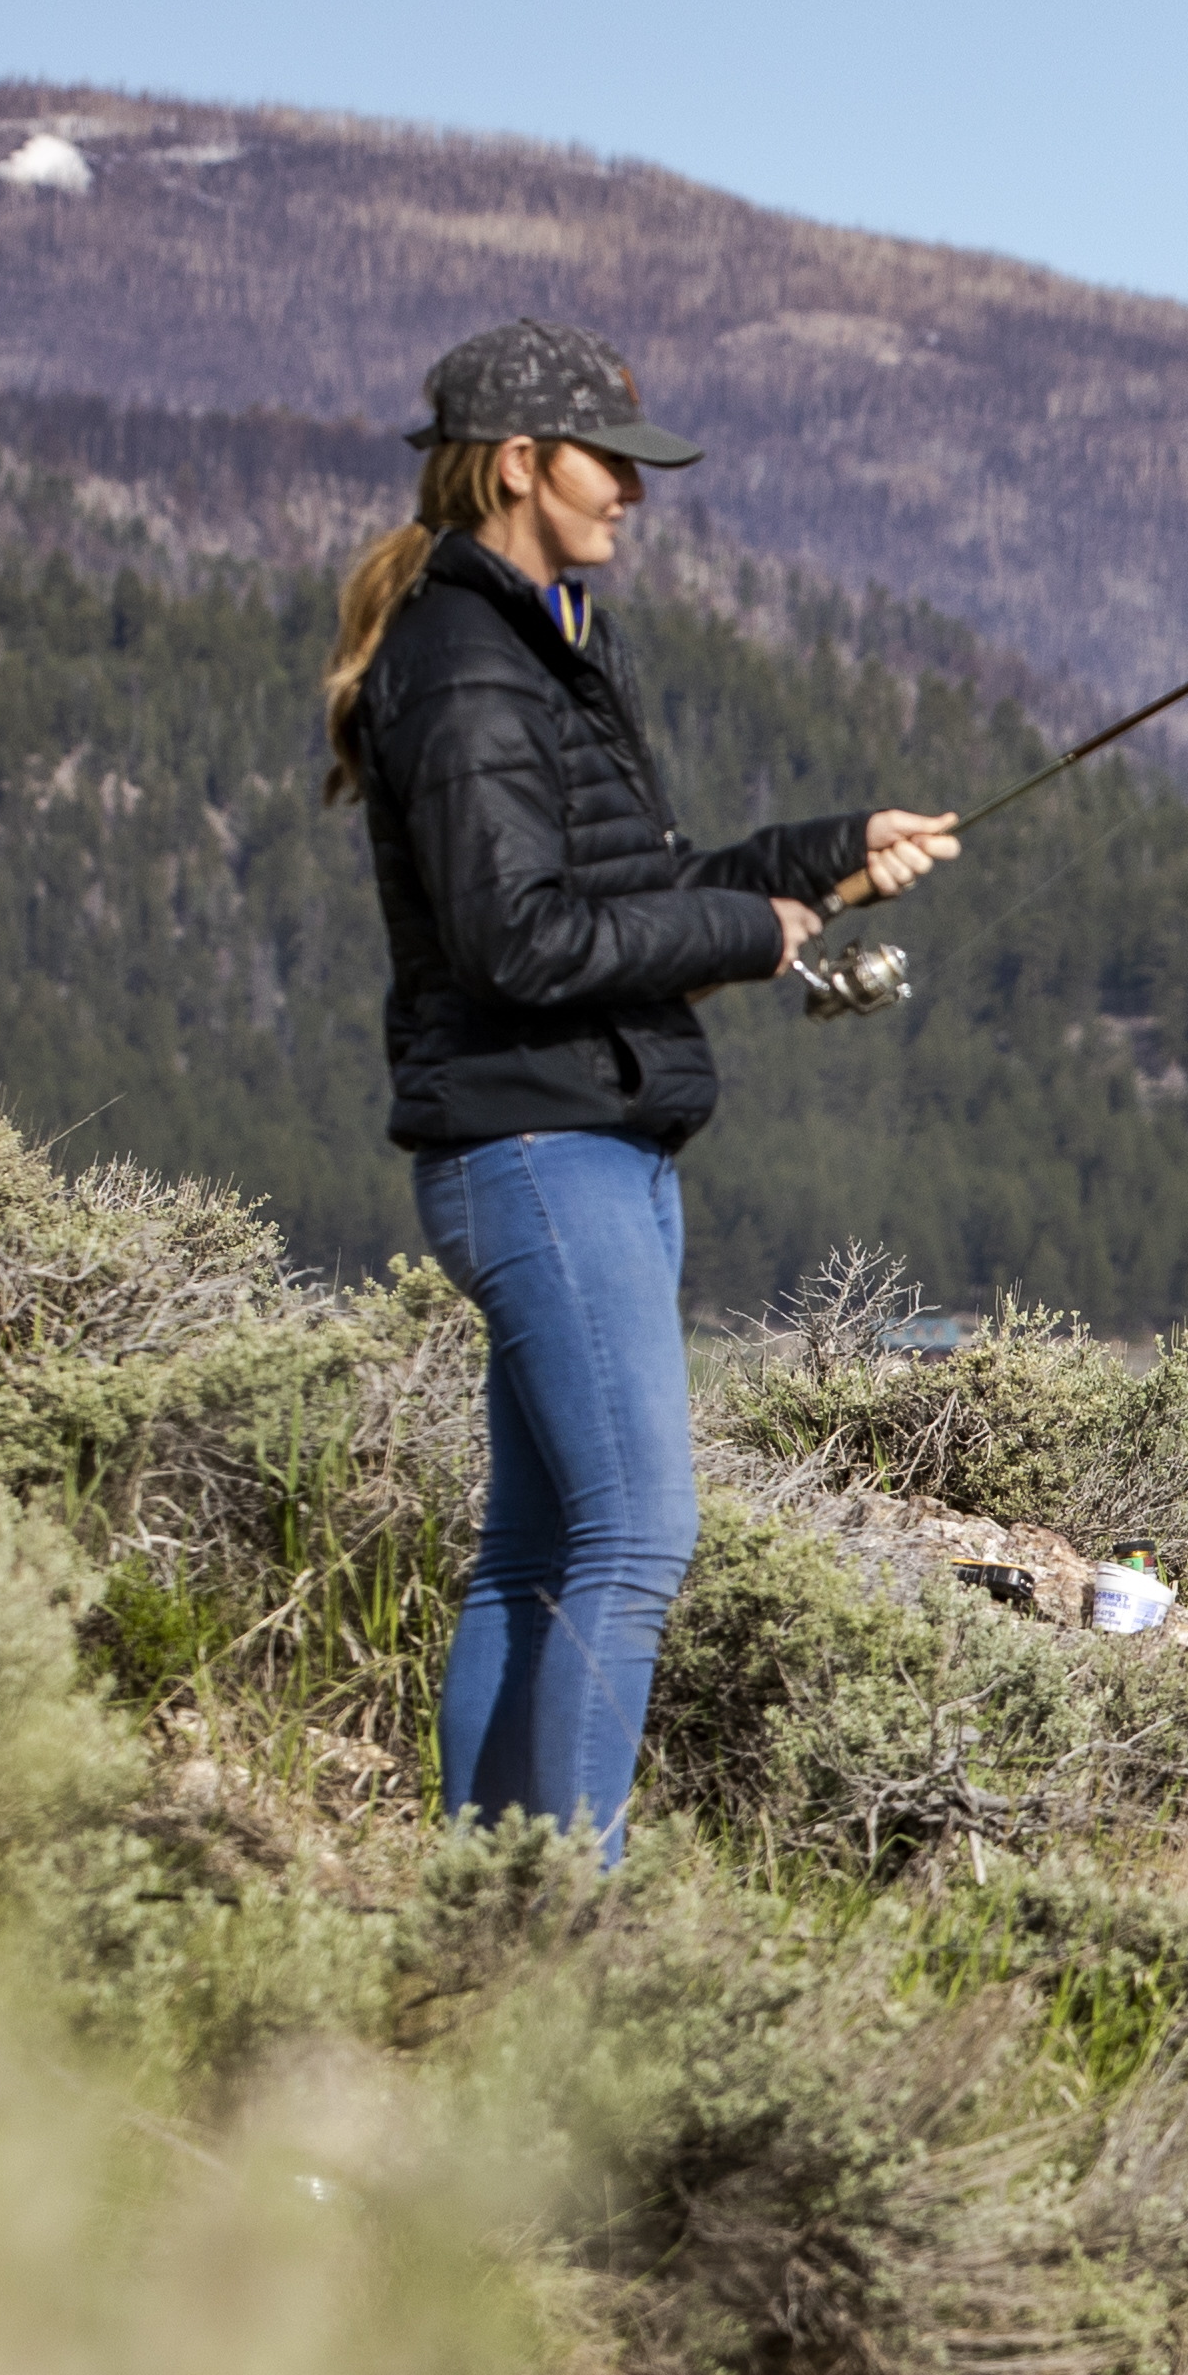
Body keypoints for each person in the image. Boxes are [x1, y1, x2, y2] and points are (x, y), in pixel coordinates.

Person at [323, 319, 956, 1855]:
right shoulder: (470, 666)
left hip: (574, 1141)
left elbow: (631, 887)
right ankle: (563, 1919)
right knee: (634, 1538)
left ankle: (484, 1904)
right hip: (540, 1143)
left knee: (536, 1548)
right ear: (521, 464)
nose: (637, 493)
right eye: (614, 462)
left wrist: (819, 865)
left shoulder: (536, 637)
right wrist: (747, 932)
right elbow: (516, 939)